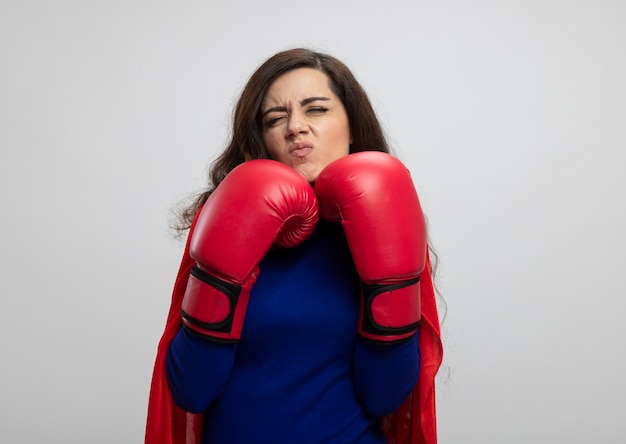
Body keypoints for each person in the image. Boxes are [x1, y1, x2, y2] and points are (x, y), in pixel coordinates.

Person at [145, 48, 443, 444]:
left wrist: (385, 284)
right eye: (275, 118)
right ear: (262, 138)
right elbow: (192, 390)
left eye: (316, 110)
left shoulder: (386, 217)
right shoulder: (231, 218)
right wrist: (223, 275)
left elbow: (385, 396)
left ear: (352, 126)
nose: (295, 127)